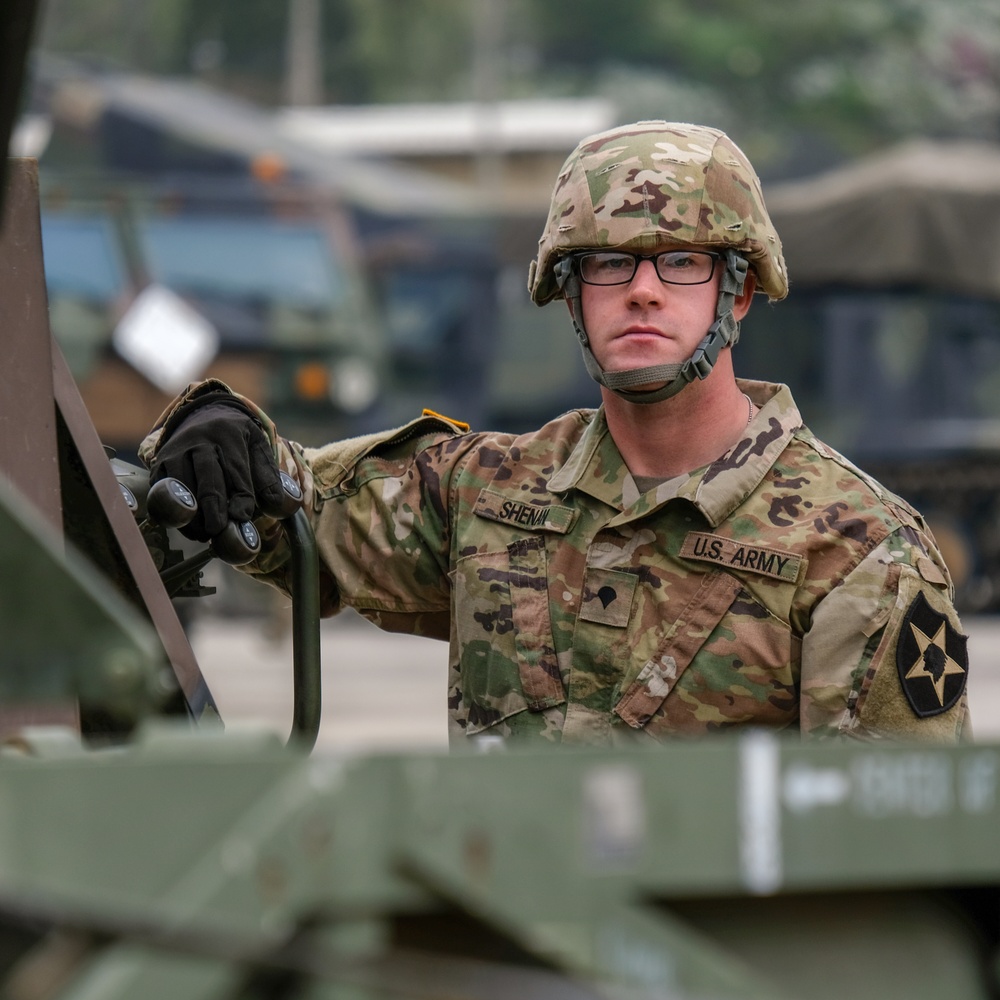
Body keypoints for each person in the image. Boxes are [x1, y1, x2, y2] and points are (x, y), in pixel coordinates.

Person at [142, 120, 970, 746]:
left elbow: (887, 848)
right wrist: (217, 425)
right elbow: (287, 508)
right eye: (607, 263)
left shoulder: (859, 551)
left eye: (681, 261)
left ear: (738, 292)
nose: (642, 291)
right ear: (570, 294)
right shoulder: (486, 491)